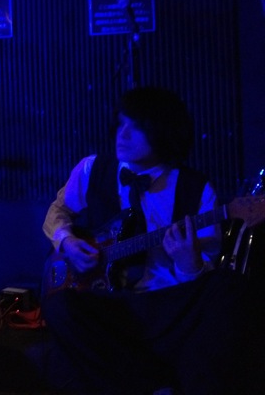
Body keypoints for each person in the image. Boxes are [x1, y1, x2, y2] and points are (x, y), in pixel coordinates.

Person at [41, 86, 265, 394]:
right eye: (121, 123)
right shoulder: (92, 169)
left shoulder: (197, 189)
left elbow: (203, 278)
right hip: (109, 303)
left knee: (229, 289)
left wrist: (189, 263)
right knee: (60, 306)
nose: (122, 134)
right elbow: (57, 212)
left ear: (162, 132)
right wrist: (67, 242)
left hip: (167, 306)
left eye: (135, 127)